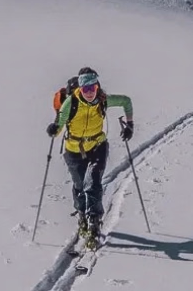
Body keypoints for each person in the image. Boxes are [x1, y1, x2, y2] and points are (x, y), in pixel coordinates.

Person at [47, 67, 134, 251]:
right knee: (79, 185)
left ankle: (94, 222)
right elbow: (60, 122)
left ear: (97, 87)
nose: (89, 93)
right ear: (80, 88)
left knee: (93, 183)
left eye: (92, 88)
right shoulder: (71, 102)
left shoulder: (103, 100)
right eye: (85, 89)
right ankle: (81, 215)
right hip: (73, 150)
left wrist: (130, 124)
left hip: (97, 146)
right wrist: (54, 129)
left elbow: (126, 101)